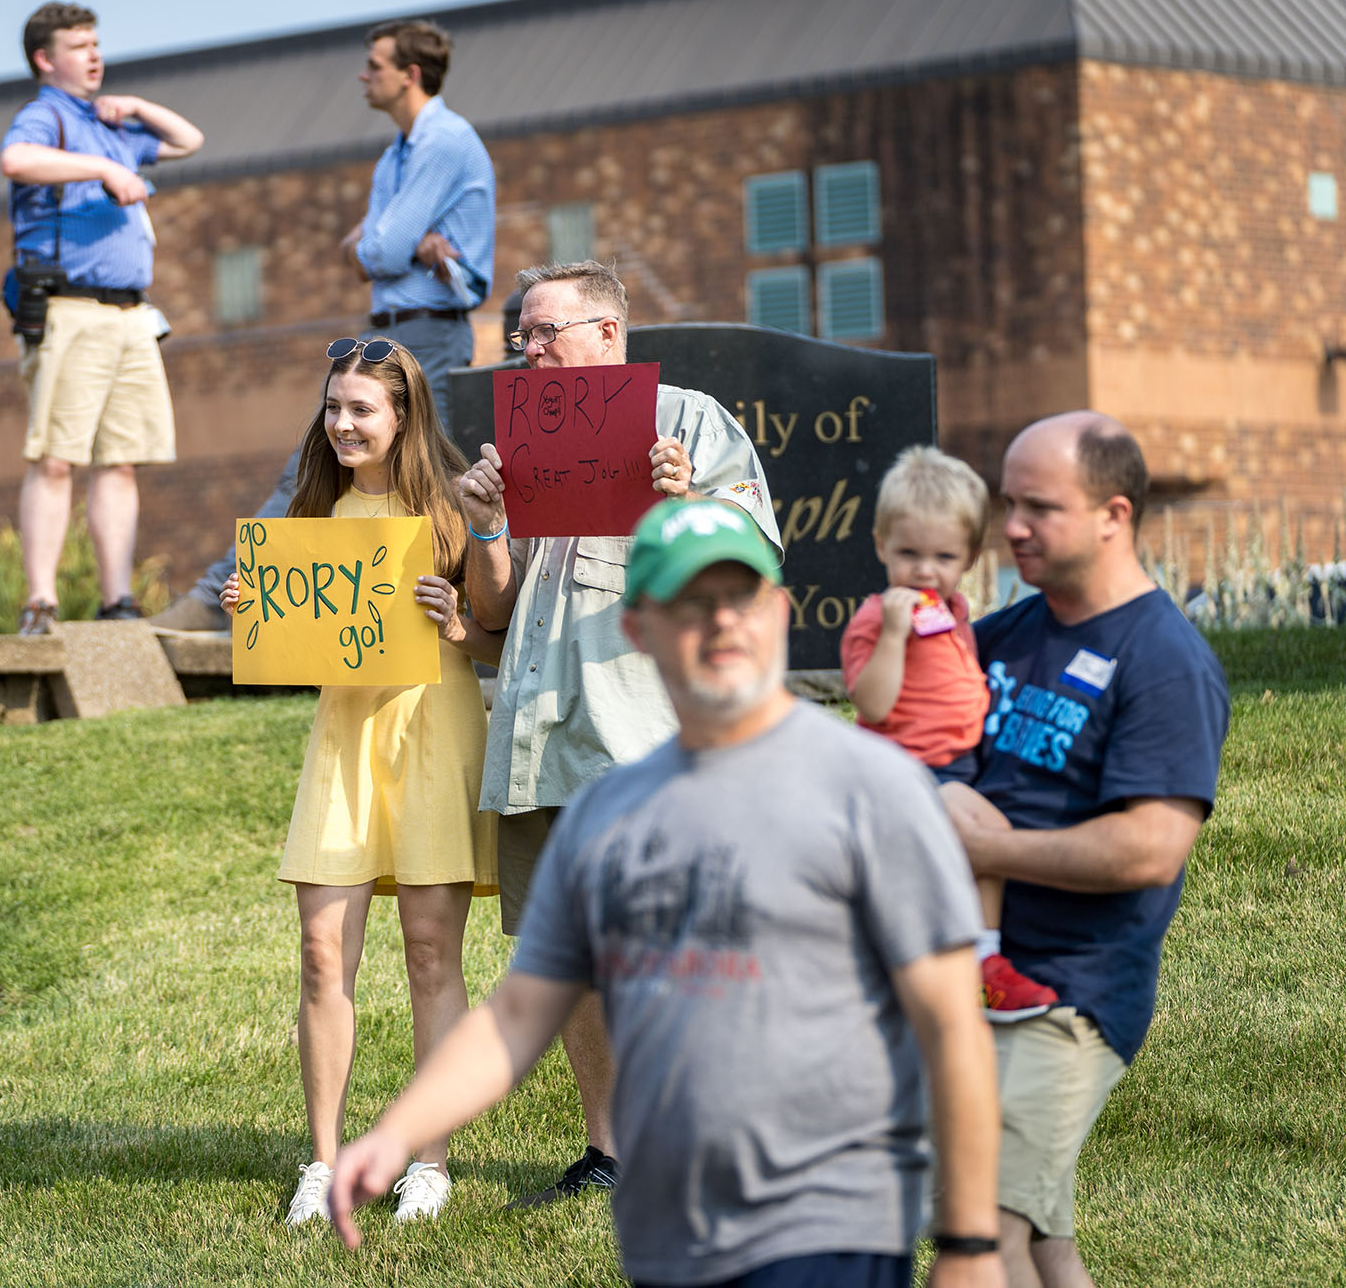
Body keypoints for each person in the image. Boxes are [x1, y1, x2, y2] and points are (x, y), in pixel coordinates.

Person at [330, 498, 1005, 1288]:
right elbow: (519, 1014)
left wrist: (970, 1244)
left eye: (740, 596)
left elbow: (953, 1026)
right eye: (688, 604)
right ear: (638, 629)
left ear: (781, 612)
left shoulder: (873, 789)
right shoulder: (604, 818)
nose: (721, 622)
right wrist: (399, 1130)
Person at [456, 260, 780, 1206]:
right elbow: (499, 609)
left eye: (546, 330)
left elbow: (752, 565)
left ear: (607, 332)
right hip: (537, 734)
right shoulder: (522, 443)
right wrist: (485, 528)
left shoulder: (687, 423)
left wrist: (684, 503)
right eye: (521, 333)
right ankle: (610, 1152)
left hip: (639, 732)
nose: (529, 347)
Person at [939, 414, 1229, 1288]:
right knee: (1047, 1247)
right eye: (1007, 502)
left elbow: (1148, 849)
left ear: (1114, 513)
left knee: (983, 1231)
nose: (1011, 525)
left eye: (1039, 507)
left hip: (1069, 995)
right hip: (973, 978)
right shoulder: (1005, 634)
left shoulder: (1164, 661)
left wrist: (990, 846)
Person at [220, 338, 499, 1229]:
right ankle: (323, 1160)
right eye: (333, 408)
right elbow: (304, 640)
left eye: (361, 410)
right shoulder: (310, 512)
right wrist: (255, 610)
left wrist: (458, 622)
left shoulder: (453, 511)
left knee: (429, 955)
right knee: (322, 955)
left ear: (404, 416)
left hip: (433, 732)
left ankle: (430, 1160)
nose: (341, 424)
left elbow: (497, 636)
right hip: (344, 744)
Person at [149, 18, 493, 634]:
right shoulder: (395, 155)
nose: (363, 75)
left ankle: (458, 611)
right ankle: (248, 598)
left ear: (409, 75)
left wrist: (391, 246)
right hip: (390, 329)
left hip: (432, 333)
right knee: (334, 460)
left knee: (420, 471)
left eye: (375, 65)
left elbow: (378, 251)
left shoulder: (445, 142)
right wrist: (403, 245)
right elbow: (366, 248)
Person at [0, 1, 204, 634]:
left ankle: (117, 600)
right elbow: (16, 161)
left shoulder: (110, 121)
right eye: (78, 45)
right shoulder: (47, 115)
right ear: (45, 58)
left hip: (131, 317)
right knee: (57, 458)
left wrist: (136, 106)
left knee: (121, 460)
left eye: (96, 43)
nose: (94, 55)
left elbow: (188, 140)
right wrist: (105, 167)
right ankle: (41, 600)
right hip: (71, 310)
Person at [841, 446, 1058, 1020]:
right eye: (909, 553)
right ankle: (981, 964)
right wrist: (891, 634)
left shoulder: (955, 609)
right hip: (907, 769)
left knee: (972, 854)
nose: (925, 571)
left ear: (966, 559)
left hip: (956, 764)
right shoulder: (877, 617)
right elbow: (871, 701)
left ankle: (956, 959)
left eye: (943, 556)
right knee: (992, 837)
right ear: (882, 545)